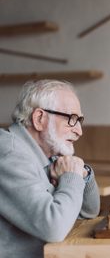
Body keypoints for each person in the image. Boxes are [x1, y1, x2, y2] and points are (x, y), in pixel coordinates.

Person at [0, 79, 100, 258]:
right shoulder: (10, 155)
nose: (79, 131)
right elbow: (54, 228)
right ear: (39, 119)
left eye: (79, 120)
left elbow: (89, 211)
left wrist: (81, 175)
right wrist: (71, 176)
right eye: (71, 119)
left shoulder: (47, 154)